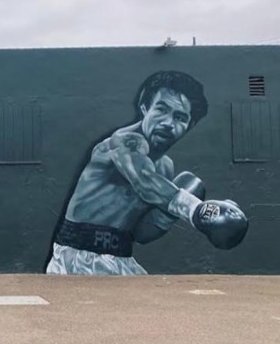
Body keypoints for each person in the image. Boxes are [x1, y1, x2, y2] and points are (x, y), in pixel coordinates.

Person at [46, 70, 248, 275]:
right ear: (145, 108)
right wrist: (195, 209)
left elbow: (142, 234)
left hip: (121, 258)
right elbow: (143, 181)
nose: (168, 123)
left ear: (190, 125)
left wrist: (167, 216)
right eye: (161, 109)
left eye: (179, 117)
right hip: (79, 257)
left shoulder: (165, 168)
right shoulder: (123, 142)